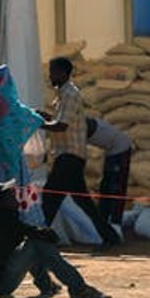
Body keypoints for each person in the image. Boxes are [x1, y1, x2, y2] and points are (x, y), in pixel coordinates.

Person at [0, 181, 111, 298]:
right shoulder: (8, 221)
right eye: (10, 195)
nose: (16, 198)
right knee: (36, 243)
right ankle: (79, 289)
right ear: (1, 203)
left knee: (32, 244)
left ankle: (48, 286)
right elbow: (49, 237)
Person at [40, 57, 120, 247]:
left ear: (62, 73)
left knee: (50, 198)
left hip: (68, 156)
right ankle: (110, 237)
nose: (50, 75)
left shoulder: (69, 94)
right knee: (84, 203)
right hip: (70, 155)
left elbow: (60, 126)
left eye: (53, 71)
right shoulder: (62, 94)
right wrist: (44, 117)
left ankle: (40, 238)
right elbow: (61, 121)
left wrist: (39, 123)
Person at [85, 116, 133, 225]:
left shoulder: (84, 127)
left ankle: (115, 222)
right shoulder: (84, 124)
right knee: (105, 186)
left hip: (121, 149)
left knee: (116, 188)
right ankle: (103, 219)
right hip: (111, 151)